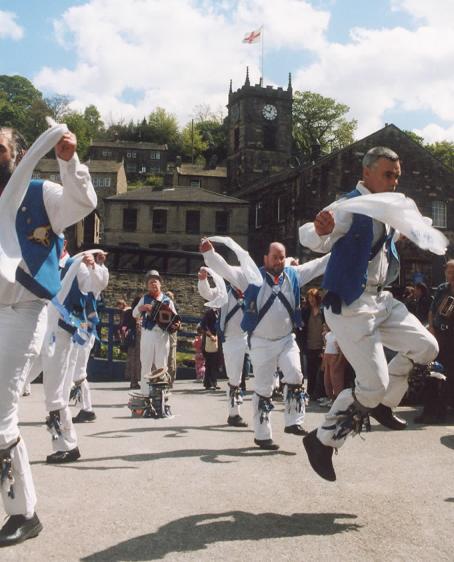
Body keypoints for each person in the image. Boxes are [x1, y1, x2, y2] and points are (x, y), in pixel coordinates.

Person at [299, 145, 439, 482]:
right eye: (388, 175)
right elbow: (310, 235)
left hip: (381, 300)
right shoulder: (349, 205)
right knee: (372, 384)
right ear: (367, 173)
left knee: (427, 348)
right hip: (351, 304)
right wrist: (319, 229)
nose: (394, 182)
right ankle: (322, 440)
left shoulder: (390, 207)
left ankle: (382, 402)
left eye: (397, 176)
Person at [0, 124, 96, 546]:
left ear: (18, 155)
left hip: (25, 309)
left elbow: (82, 202)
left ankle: (23, 511)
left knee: (0, 408)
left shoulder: (40, 192)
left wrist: (67, 159)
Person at [200, 238, 329, 450]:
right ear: (266, 258)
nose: (278, 261)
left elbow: (318, 265)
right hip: (260, 342)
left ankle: (293, 422)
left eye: (281, 257)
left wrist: (344, 246)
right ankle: (262, 435)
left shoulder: (294, 275)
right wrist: (210, 255)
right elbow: (226, 270)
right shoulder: (251, 277)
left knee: (296, 374)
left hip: (287, 339)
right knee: (264, 388)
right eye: (275, 257)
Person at [198, 267, 248, 426]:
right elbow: (207, 294)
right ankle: (234, 414)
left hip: (252, 337)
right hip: (231, 338)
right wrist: (203, 280)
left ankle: (264, 412)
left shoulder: (253, 291)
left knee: (265, 371)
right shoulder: (223, 292)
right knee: (235, 377)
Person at [71, 252, 109, 423]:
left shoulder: (95, 282)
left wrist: (95, 265)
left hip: (84, 329)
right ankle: (78, 408)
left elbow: (101, 281)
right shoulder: (74, 276)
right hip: (72, 328)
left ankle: (86, 409)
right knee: (71, 370)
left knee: (77, 372)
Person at [132, 270, 180, 398]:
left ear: (160, 284)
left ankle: (161, 393)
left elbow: (176, 319)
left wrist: (177, 325)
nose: (153, 284)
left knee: (162, 364)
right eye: (150, 282)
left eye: (156, 281)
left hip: (162, 335)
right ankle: (145, 392)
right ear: (147, 285)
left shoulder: (167, 300)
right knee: (146, 363)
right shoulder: (144, 298)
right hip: (147, 333)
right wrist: (141, 308)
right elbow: (134, 313)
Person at [418, 259, 454, 422]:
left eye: (453, 272)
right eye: (448, 272)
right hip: (439, 335)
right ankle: (431, 409)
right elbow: (433, 311)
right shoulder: (441, 289)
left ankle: (443, 408)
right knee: (433, 371)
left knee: (449, 374)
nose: (450, 275)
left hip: (451, 337)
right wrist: (432, 328)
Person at [301, 288, 325, 401]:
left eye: (313, 298)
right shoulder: (305, 312)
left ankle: (321, 393)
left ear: (317, 299)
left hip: (321, 346)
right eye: (309, 298)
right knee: (310, 371)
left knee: (321, 371)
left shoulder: (323, 312)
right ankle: (310, 392)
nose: (311, 301)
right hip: (309, 345)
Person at [200, 306, 221, 390]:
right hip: (209, 339)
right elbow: (203, 325)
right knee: (211, 361)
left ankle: (209, 383)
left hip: (216, 338)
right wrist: (211, 335)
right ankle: (212, 382)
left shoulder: (219, 312)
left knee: (214, 362)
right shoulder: (209, 312)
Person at [166, 291, 178, 388]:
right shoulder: (160, 308)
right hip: (163, 336)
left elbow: (178, 322)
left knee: (171, 360)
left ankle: (170, 381)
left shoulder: (174, 308)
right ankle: (164, 381)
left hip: (171, 335)